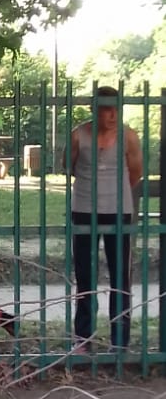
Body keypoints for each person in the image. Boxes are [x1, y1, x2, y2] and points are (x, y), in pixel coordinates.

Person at [66, 88, 143, 350]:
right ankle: (83, 339)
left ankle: (119, 342)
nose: (112, 115)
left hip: (118, 212)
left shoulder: (128, 136)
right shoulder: (79, 135)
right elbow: (70, 166)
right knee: (85, 276)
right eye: (106, 108)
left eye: (116, 109)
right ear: (94, 109)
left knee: (120, 277)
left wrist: (114, 193)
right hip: (85, 210)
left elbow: (136, 172)